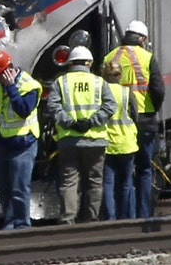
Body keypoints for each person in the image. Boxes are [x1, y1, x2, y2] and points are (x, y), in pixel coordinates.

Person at [46, 46, 116, 224]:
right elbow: (110, 106)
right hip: (95, 140)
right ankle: (91, 219)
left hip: (69, 140)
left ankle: (68, 219)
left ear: (69, 63)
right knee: (94, 181)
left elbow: (53, 107)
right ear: (89, 63)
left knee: (69, 182)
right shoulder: (100, 82)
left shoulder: (60, 83)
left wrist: (71, 123)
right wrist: (91, 122)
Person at [103, 20, 165, 218]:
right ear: (143, 39)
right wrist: (152, 110)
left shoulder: (109, 57)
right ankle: (144, 214)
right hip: (145, 120)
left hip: (117, 124)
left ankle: (122, 218)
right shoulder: (147, 57)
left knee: (121, 175)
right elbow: (158, 90)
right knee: (145, 169)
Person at [0, 49, 42, 229]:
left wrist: (11, 87)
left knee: (19, 188)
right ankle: (10, 222)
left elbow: (23, 109)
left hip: (23, 143)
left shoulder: (29, 86)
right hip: (3, 142)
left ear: (6, 71)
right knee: (5, 188)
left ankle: (22, 225)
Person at [100, 60, 138, 220]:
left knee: (108, 184)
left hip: (107, 143)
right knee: (126, 183)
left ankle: (110, 218)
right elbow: (135, 116)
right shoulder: (126, 92)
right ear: (120, 74)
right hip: (126, 143)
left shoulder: (100, 91)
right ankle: (125, 217)